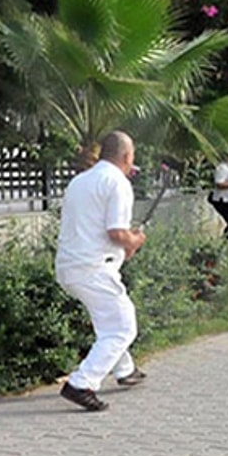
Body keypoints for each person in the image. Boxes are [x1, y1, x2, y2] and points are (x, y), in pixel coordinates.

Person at [57, 131, 147, 411]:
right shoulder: (117, 182)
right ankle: (82, 383)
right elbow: (116, 231)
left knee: (107, 319)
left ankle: (125, 369)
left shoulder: (81, 180)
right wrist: (134, 241)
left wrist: (123, 245)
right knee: (123, 326)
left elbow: (95, 228)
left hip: (70, 265)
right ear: (126, 156)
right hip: (93, 268)